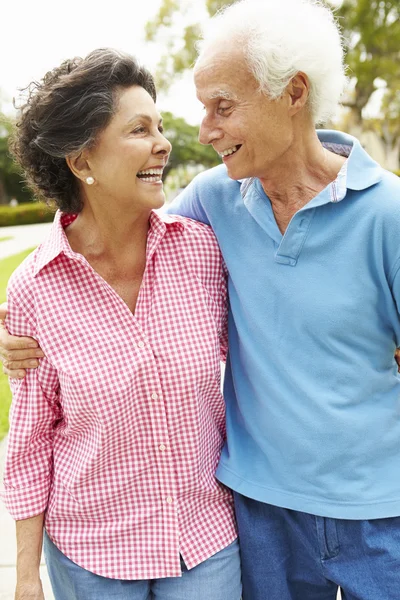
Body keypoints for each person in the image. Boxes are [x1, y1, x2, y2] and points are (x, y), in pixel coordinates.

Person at [2, 0, 400, 598]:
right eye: (198, 109)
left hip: (377, 511)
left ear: (294, 93)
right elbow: (106, 236)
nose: (201, 131)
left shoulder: (385, 214)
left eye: (222, 107)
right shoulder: (213, 203)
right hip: (259, 511)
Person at [0, 49, 241, 600]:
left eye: (159, 127)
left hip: (205, 542)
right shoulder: (35, 288)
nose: (164, 143)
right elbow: (32, 440)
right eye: (139, 129)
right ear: (82, 161)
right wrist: (26, 575)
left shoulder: (202, 251)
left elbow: (270, 343)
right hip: (92, 555)